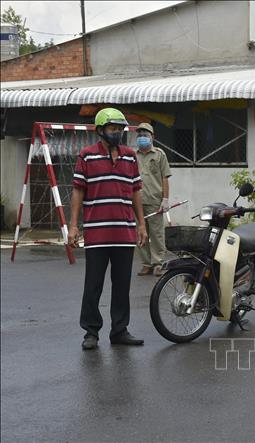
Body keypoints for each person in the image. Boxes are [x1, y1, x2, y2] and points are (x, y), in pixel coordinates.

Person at [68, 108, 148, 350]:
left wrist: (141, 224)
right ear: (100, 130)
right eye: (113, 129)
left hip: (124, 232)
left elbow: (136, 191)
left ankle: (120, 330)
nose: (118, 133)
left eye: (120, 129)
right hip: (97, 233)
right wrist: (73, 226)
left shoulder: (130, 156)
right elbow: (78, 190)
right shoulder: (87, 156)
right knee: (93, 285)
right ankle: (91, 332)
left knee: (122, 285)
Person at [134, 122, 172, 277]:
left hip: (155, 201)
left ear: (152, 137)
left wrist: (165, 199)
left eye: (145, 135)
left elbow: (164, 177)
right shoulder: (133, 155)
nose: (142, 138)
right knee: (140, 234)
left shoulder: (159, 154)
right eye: (140, 135)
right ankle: (146, 264)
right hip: (137, 201)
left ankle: (158, 263)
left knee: (156, 234)